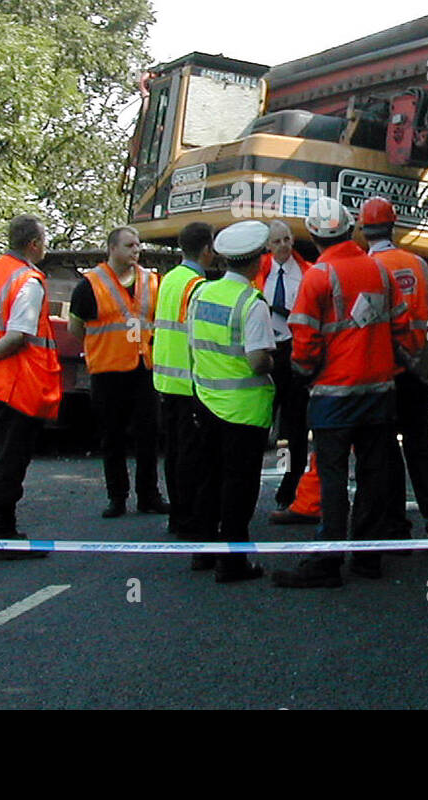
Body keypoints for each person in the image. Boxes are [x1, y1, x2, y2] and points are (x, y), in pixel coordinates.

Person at [272, 197, 417, 589]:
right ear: (349, 230)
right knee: (374, 474)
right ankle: (368, 557)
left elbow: (303, 337)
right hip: (379, 392)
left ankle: (328, 559)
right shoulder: (379, 271)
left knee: (333, 478)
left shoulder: (317, 276)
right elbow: (403, 329)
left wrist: (304, 373)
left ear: (314, 235)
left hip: (334, 395)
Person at [0, 215, 62, 561]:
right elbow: (19, 336)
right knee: (10, 461)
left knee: (0, 457)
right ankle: (2, 534)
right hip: (17, 385)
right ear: (33, 244)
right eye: (43, 241)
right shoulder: (28, 280)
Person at [358, 197, 428, 543]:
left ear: (362, 229)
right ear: (393, 226)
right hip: (420, 370)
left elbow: (363, 326)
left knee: (386, 450)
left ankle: (397, 526)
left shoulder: (367, 269)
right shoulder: (418, 264)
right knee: (421, 446)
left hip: (386, 373)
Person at [186, 221, 276, 583]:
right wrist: (274, 361)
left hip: (206, 400)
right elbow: (257, 360)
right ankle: (233, 561)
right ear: (256, 262)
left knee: (208, 478)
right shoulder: (251, 303)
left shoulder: (201, 294)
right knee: (239, 485)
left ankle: (203, 552)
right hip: (244, 409)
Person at [68, 225, 169, 518]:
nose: (135, 250)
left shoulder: (151, 281)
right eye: (129, 246)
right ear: (112, 249)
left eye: (137, 245)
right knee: (112, 437)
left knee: (149, 436)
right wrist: (102, 347)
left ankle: (149, 495)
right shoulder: (90, 284)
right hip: (108, 372)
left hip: (143, 369)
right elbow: (77, 328)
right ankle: (117, 497)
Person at [152, 222, 215, 537]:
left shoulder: (170, 280)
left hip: (165, 381)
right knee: (191, 458)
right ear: (206, 249)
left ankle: (178, 517)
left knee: (175, 453)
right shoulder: (197, 287)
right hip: (189, 383)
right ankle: (189, 519)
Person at [255, 219, 311, 509]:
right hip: (265, 349)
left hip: (294, 351)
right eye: (277, 241)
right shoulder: (258, 272)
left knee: (295, 424)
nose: (283, 246)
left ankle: (291, 487)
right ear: (267, 245)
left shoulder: (306, 273)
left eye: (287, 239)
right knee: (260, 420)